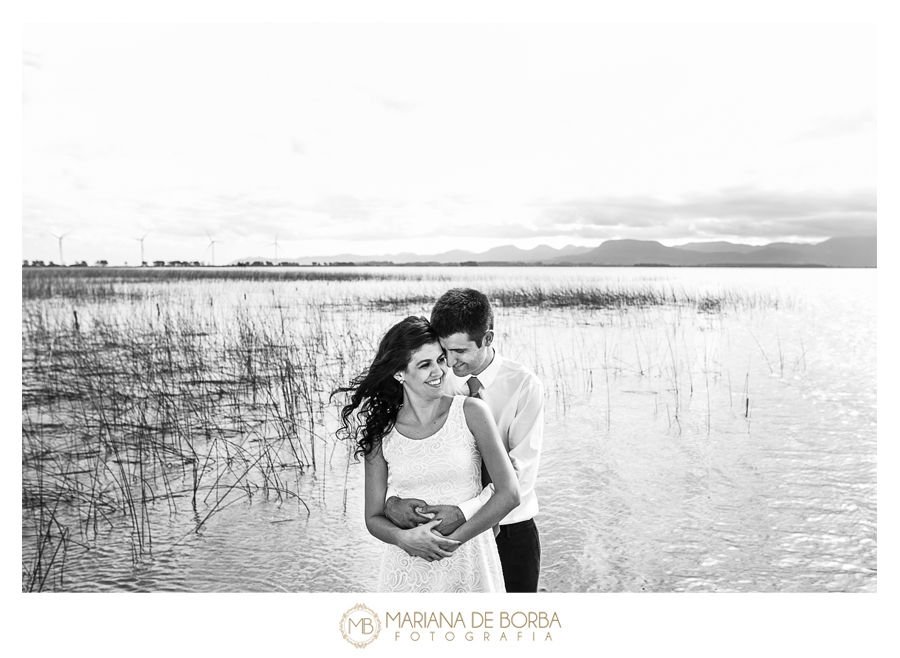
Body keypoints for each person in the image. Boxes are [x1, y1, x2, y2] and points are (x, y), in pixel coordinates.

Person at [333, 315, 519, 592]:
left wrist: (452, 541)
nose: (439, 371)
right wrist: (402, 539)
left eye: (440, 360)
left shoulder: (471, 412)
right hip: (407, 568)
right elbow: (372, 518)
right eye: (424, 365)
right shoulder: (380, 434)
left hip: (470, 561)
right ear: (400, 373)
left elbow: (510, 494)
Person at [385, 288, 544, 592]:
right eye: (445, 351)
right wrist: (391, 502)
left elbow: (520, 476)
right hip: (438, 532)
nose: (451, 364)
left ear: (488, 338)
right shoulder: (434, 377)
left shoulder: (525, 386)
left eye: (460, 352)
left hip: (511, 531)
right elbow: (406, 449)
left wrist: (464, 512)